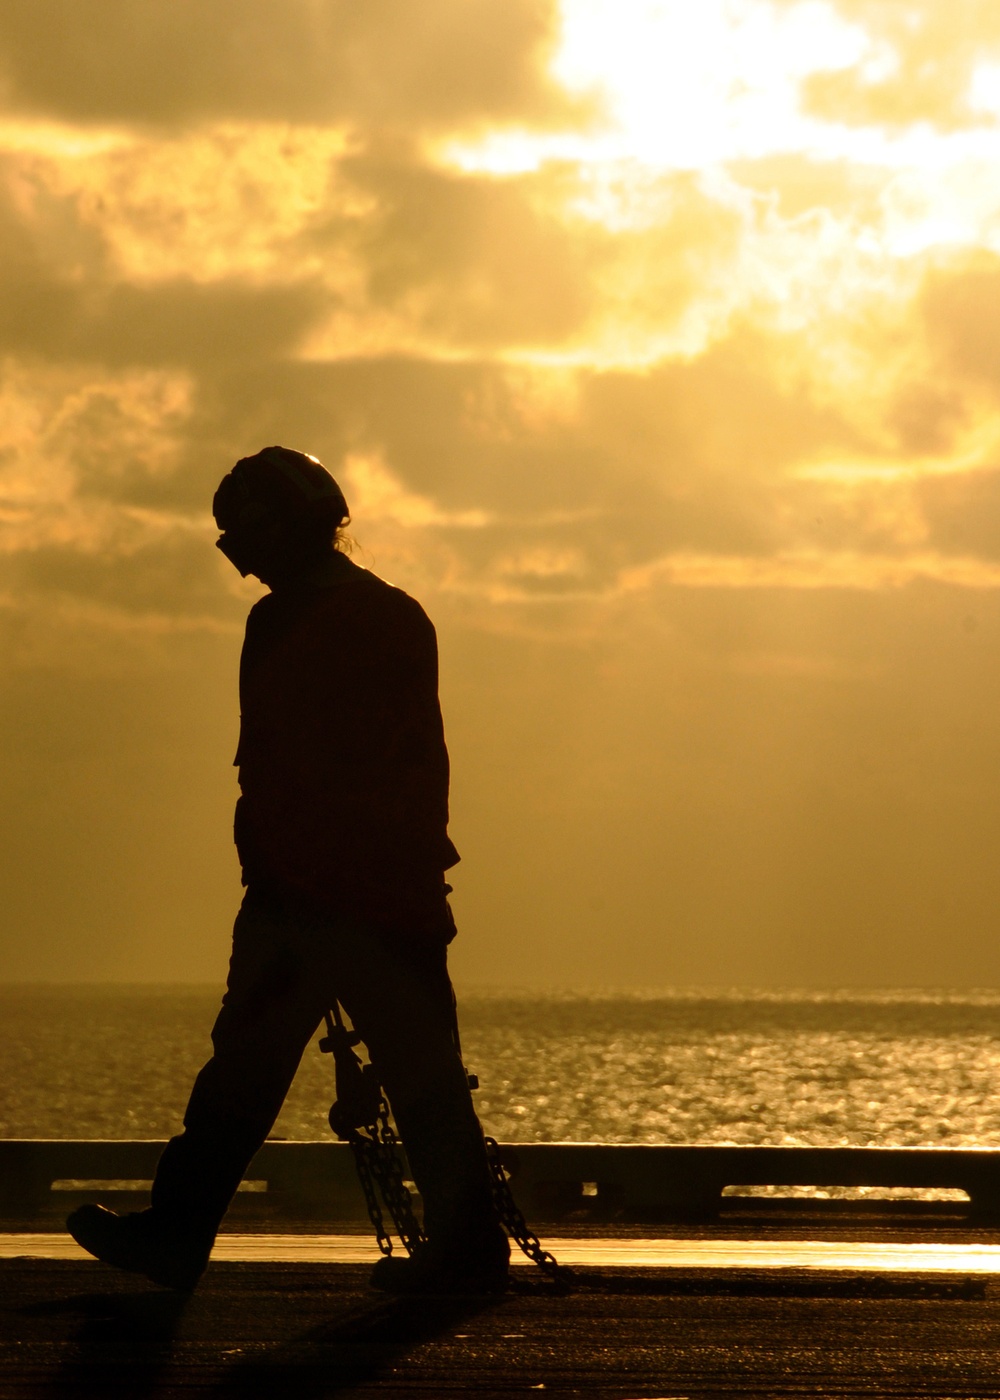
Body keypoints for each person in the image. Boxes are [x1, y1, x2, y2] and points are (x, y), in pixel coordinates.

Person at [66, 446, 509, 1294]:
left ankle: (182, 1233)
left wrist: (297, 878)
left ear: (282, 530)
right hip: (363, 894)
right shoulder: (384, 615)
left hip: (326, 897)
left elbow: (297, 766)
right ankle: (464, 1249)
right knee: (403, 1076)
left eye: (242, 536)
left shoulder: (301, 624)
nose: (240, 558)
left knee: (259, 1072)